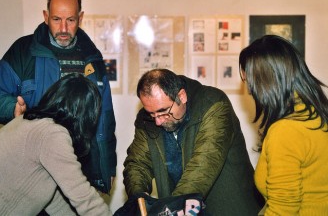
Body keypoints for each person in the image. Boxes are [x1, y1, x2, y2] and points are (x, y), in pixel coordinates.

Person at [0, 0, 116, 194]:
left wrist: (107, 167)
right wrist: (13, 109)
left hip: (81, 170)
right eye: (56, 19)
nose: (63, 28)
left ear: (81, 18)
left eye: (70, 20)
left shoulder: (93, 57)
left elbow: (106, 118)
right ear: (45, 17)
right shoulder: (23, 51)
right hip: (36, 168)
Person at [122, 68, 264, 215]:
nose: (157, 121)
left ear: (181, 96)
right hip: (183, 209)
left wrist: (170, 209)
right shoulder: (147, 119)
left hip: (229, 207)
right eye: (152, 114)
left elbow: (204, 163)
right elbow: (138, 163)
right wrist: (139, 197)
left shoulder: (213, 104)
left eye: (164, 112)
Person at [0, 73, 111, 215]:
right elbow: (84, 198)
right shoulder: (52, 135)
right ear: (86, 115)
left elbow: (56, 201)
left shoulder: (32, 122)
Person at [239, 35, 328, 215]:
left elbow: (283, 209)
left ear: (265, 82)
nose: (249, 90)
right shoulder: (316, 115)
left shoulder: (286, 130)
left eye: (249, 82)